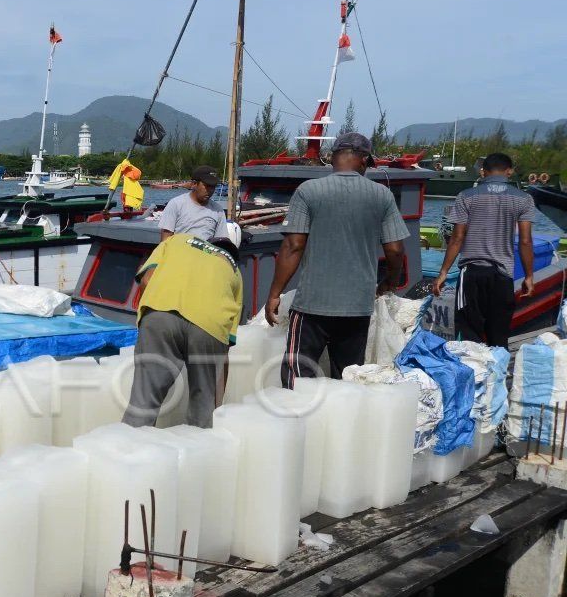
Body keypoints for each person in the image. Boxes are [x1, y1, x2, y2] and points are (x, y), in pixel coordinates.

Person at [266, 133, 409, 384]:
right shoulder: (382, 196)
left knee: (297, 378)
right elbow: (395, 250)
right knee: (347, 378)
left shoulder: (308, 191)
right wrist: (389, 282)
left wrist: (275, 293)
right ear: (364, 161)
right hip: (357, 307)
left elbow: (293, 245)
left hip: (312, 305)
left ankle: (297, 421)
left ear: (333, 159)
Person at [122, 226, 244, 429]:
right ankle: (199, 453)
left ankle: (128, 454)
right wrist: (215, 397)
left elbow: (146, 279)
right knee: (203, 408)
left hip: (160, 312)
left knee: (143, 402)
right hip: (209, 326)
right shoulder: (235, 271)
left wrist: (149, 322)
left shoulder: (177, 241)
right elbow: (225, 345)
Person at [432, 152, 537, 347]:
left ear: (484, 172)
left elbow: (457, 238)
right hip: (502, 275)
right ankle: (498, 375)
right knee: (499, 337)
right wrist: (529, 276)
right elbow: (525, 241)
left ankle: (474, 375)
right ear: (509, 171)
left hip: (471, 273)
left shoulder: (466, 196)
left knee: (469, 339)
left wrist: (443, 272)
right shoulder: (523, 199)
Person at [159, 165, 229, 243]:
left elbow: (221, 242)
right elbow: (165, 241)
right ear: (194, 184)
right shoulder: (176, 204)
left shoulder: (218, 210)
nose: (211, 190)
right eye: (207, 186)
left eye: (213, 186)